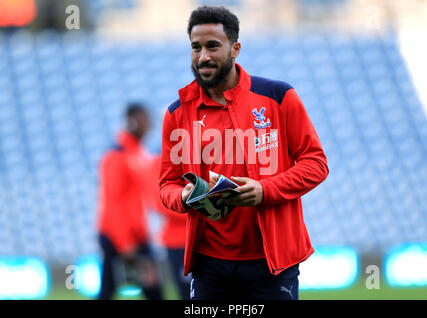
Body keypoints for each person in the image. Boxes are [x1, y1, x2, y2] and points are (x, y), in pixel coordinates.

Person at [159, 6, 329, 300]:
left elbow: (316, 163)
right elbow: (166, 185)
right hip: (209, 264)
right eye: (195, 47)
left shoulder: (278, 97)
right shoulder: (177, 113)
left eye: (213, 46)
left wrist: (265, 190)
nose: (203, 57)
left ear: (235, 48)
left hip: (271, 262)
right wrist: (184, 197)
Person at [96, 103, 162, 300]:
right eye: (144, 121)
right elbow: (113, 202)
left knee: (113, 290)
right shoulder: (116, 156)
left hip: (138, 235)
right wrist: (125, 242)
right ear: (132, 121)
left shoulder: (139, 154)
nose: (148, 126)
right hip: (120, 237)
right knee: (114, 290)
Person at [144, 155, 190, 300]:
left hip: (211, 237)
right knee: (188, 292)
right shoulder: (160, 162)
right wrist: (202, 212)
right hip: (179, 242)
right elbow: (159, 202)